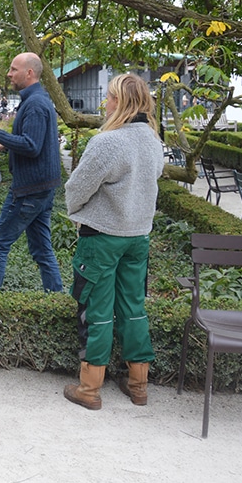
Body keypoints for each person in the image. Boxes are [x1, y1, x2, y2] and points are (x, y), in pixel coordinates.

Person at [62, 73, 165, 410]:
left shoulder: (108, 142)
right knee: (134, 308)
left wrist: (77, 211)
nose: (104, 103)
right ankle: (139, 384)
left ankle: (89, 389)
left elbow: (77, 189)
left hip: (102, 238)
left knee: (97, 311)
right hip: (138, 236)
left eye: (108, 97)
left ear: (119, 102)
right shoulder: (152, 140)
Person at [0, 52, 63, 293]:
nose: (9, 73)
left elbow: (31, 146)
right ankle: (56, 297)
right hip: (43, 187)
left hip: (29, 190)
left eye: (13, 69)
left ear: (29, 73)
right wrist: (5, 145)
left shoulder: (35, 104)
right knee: (42, 249)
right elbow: (35, 140)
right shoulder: (37, 100)